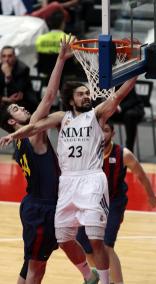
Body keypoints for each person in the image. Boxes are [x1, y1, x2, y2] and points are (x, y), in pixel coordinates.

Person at [0, 76, 138, 284]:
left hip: (89, 179)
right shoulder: (60, 118)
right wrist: (15, 134)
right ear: (71, 99)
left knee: (92, 241)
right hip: (63, 187)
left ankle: (103, 280)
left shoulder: (96, 114)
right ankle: (87, 274)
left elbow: (118, 96)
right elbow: (39, 118)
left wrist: (136, 72)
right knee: (56, 246)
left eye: (87, 93)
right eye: (81, 94)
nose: (86, 96)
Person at [0, 36, 76, 284]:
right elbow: (50, 94)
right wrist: (60, 59)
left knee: (30, 264)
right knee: (37, 268)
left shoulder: (22, 140)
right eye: (16, 110)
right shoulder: (32, 134)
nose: (22, 108)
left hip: (35, 204)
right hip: (42, 207)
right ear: (13, 122)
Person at [77, 120, 156, 284]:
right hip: (91, 202)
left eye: (106, 130)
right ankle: (100, 278)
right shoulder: (86, 152)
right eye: (99, 130)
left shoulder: (123, 154)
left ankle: (118, 282)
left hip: (114, 202)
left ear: (113, 134)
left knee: (106, 246)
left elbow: (141, 175)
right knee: (84, 244)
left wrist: (151, 195)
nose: (102, 134)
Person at [0, 46, 38, 113]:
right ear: (1, 57)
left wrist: (8, 75)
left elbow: (17, 92)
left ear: (14, 56)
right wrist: (5, 99)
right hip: (5, 100)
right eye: (4, 56)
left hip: (24, 100)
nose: (6, 59)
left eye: (9, 56)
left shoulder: (23, 69)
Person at [110, 86, 145, 152]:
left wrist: (119, 107)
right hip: (114, 109)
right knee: (100, 115)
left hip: (132, 108)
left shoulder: (125, 80)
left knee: (129, 115)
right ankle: (103, 148)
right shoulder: (99, 81)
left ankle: (129, 149)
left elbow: (133, 100)